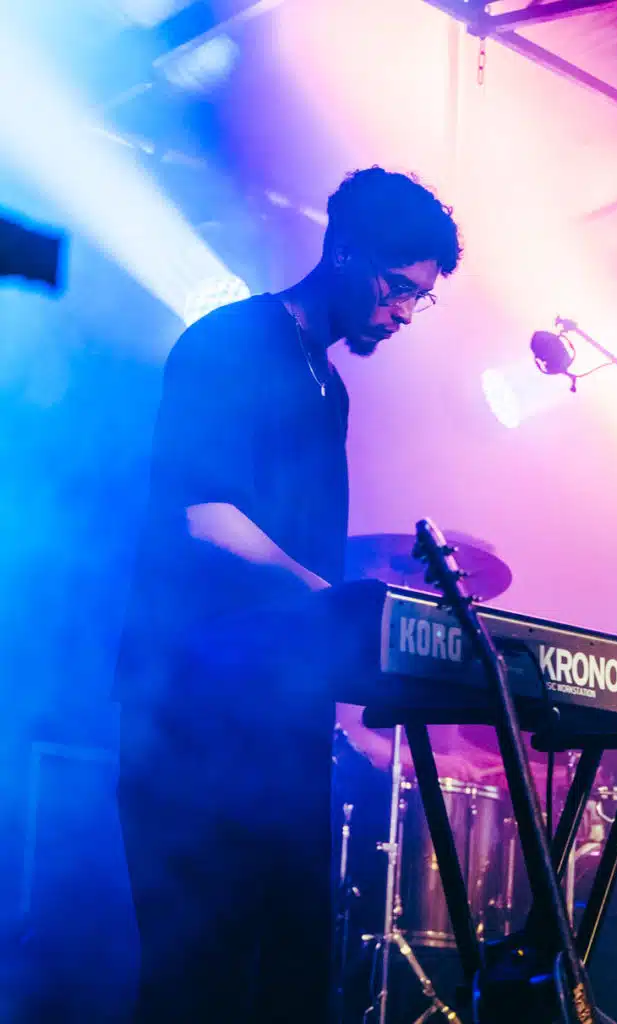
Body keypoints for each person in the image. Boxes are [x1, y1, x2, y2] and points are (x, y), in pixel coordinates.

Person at [115, 166, 461, 1023]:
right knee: (196, 988)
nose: (403, 313)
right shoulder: (233, 342)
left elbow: (295, 561)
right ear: (345, 252)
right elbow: (202, 515)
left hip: (279, 730)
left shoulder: (330, 386)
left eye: (419, 298)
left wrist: (347, 699)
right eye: (396, 286)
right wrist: (339, 604)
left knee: (290, 985)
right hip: (192, 720)